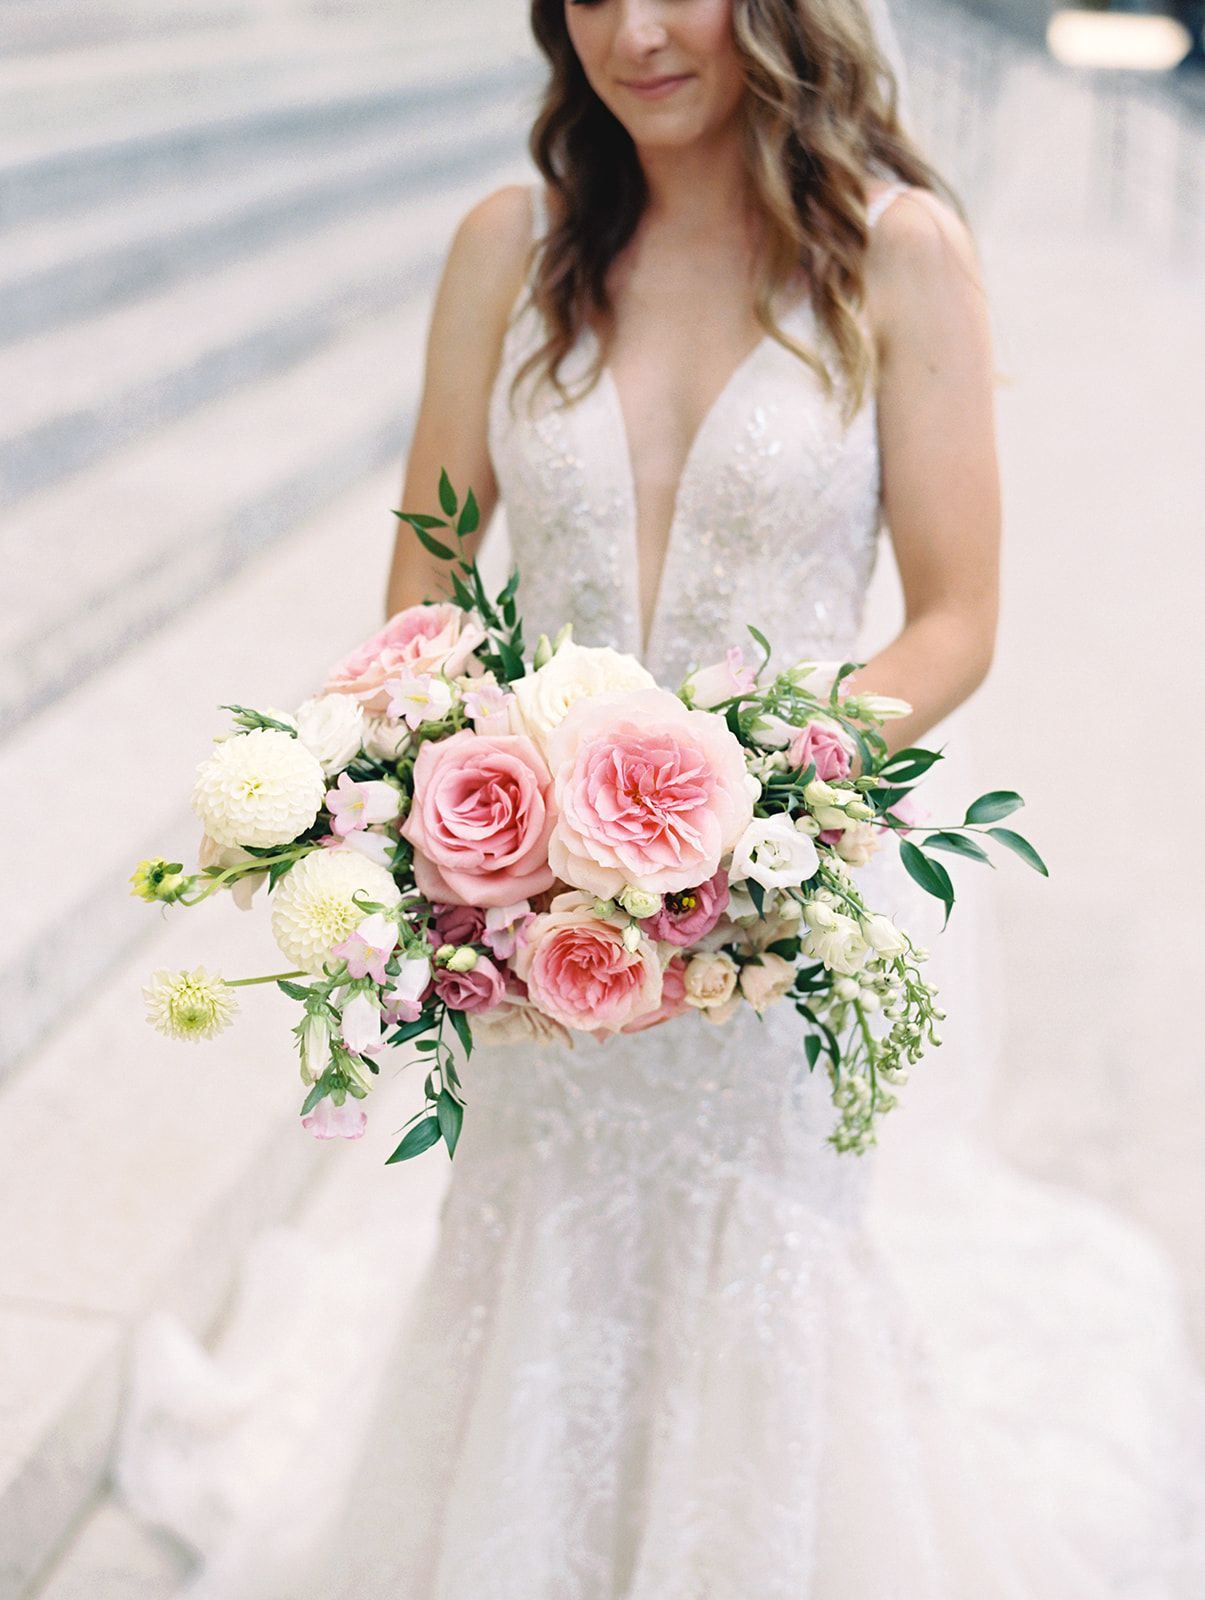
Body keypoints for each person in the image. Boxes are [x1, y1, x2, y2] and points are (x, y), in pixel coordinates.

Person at [117, 2, 1205, 1595]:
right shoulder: (510, 246)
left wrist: (743, 802)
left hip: (767, 908)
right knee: (530, 1226)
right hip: (521, 904)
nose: (633, 27)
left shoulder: (897, 257)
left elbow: (956, 615)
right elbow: (425, 580)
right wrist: (402, 801)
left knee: (753, 1254)